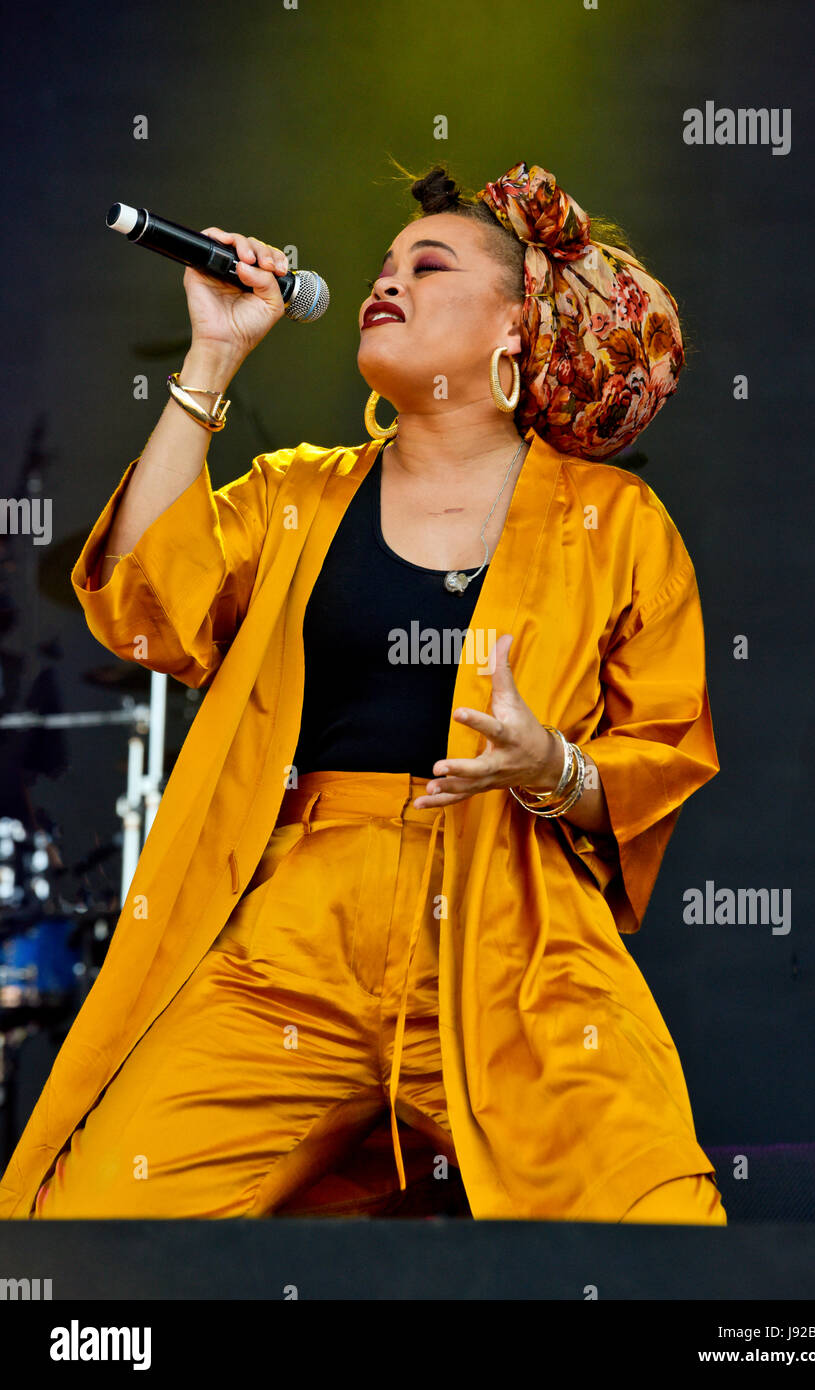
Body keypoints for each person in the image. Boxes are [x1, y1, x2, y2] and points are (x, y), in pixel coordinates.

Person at [0, 161, 726, 1224]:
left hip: (517, 930)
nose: (386, 280)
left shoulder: (612, 521)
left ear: (516, 331)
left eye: (427, 265)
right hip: (294, 937)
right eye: (384, 265)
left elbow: (665, 746)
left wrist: (555, 770)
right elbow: (149, 606)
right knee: (91, 1229)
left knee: (658, 1228)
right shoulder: (297, 492)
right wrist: (213, 356)